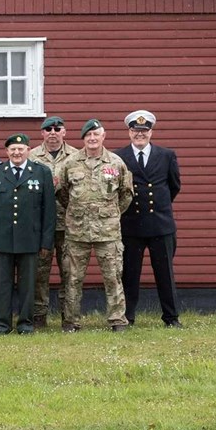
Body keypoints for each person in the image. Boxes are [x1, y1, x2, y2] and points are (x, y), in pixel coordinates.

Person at [55, 120, 134, 332]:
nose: (92, 138)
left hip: (107, 232)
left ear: (103, 136)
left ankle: (117, 320)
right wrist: (78, 211)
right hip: (77, 232)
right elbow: (62, 193)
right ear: (83, 138)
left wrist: (108, 214)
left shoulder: (116, 163)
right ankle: (71, 321)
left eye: (96, 134)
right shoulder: (71, 163)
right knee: (72, 278)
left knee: (113, 277)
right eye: (88, 135)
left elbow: (126, 195)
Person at [0, 134, 56, 334]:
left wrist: (46, 243)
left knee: (28, 286)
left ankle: (25, 324)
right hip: (2, 239)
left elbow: (49, 211)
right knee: (3, 286)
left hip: (30, 239)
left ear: (28, 150)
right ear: (7, 152)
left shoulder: (41, 173)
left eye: (20, 149)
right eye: (12, 149)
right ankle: (2, 324)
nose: (16, 153)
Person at [115, 110, 183, 327]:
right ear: (129, 132)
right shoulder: (118, 157)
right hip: (131, 226)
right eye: (135, 130)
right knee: (129, 275)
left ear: (151, 132)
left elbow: (174, 186)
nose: (139, 134)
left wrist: (159, 208)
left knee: (165, 274)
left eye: (144, 131)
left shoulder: (166, 155)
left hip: (160, 225)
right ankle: (128, 317)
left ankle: (171, 318)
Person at [28, 116, 78, 328]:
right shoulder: (31, 156)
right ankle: (39, 315)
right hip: (41, 227)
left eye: (57, 129)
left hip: (69, 225)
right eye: (48, 129)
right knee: (40, 273)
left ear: (64, 132)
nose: (53, 132)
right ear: (42, 133)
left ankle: (69, 317)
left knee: (69, 272)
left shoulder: (77, 156)